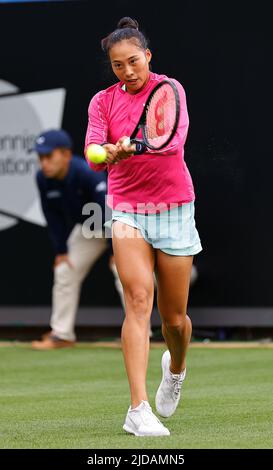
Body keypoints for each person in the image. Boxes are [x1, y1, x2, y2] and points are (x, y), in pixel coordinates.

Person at [85, 17, 202, 437]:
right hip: (127, 208)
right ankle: (138, 408)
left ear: (147, 56)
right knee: (137, 299)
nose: (127, 72)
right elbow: (91, 151)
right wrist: (105, 155)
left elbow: (170, 140)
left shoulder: (169, 90)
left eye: (133, 61)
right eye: (118, 66)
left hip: (173, 208)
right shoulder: (102, 102)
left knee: (174, 320)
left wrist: (130, 147)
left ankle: (176, 367)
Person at [31, 129, 124, 350]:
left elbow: (109, 210)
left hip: (120, 223)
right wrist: (61, 250)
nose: (43, 163)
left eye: (49, 156)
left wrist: (115, 251)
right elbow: (52, 216)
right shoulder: (42, 178)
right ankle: (62, 334)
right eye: (40, 157)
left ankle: (140, 334)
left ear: (66, 154)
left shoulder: (87, 173)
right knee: (64, 270)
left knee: (124, 274)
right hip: (88, 229)